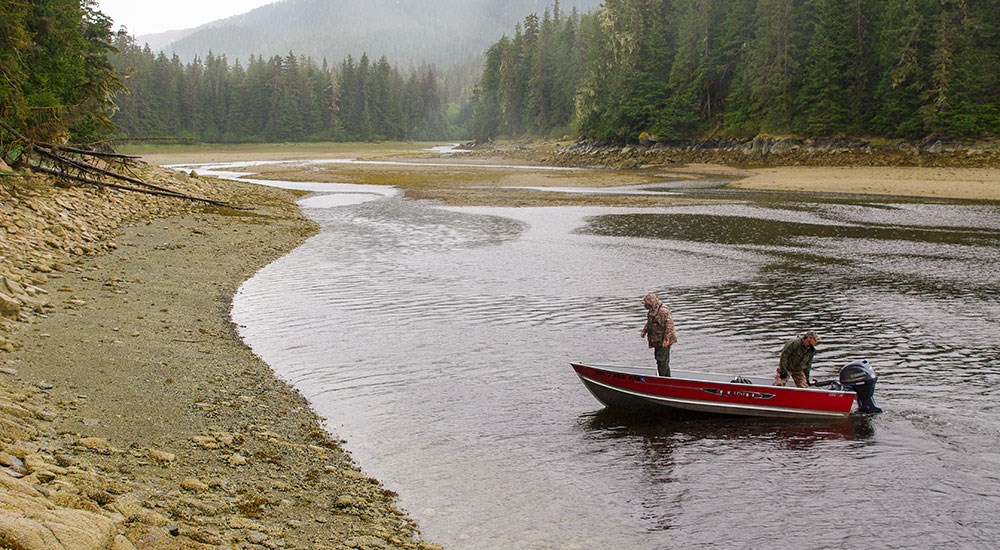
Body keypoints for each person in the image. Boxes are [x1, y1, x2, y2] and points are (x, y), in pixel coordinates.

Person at [639, 292, 677, 377]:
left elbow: (670, 326)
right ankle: (666, 377)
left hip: (664, 340)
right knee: (659, 359)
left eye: (646, 304)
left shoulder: (663, 311)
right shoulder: (652, 310)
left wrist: (666, 339)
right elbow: (650, 322)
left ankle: (664, 378)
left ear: (651, 303)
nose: (645, 306)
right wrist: (644, 331)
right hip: (657, 339)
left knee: (662, 360)